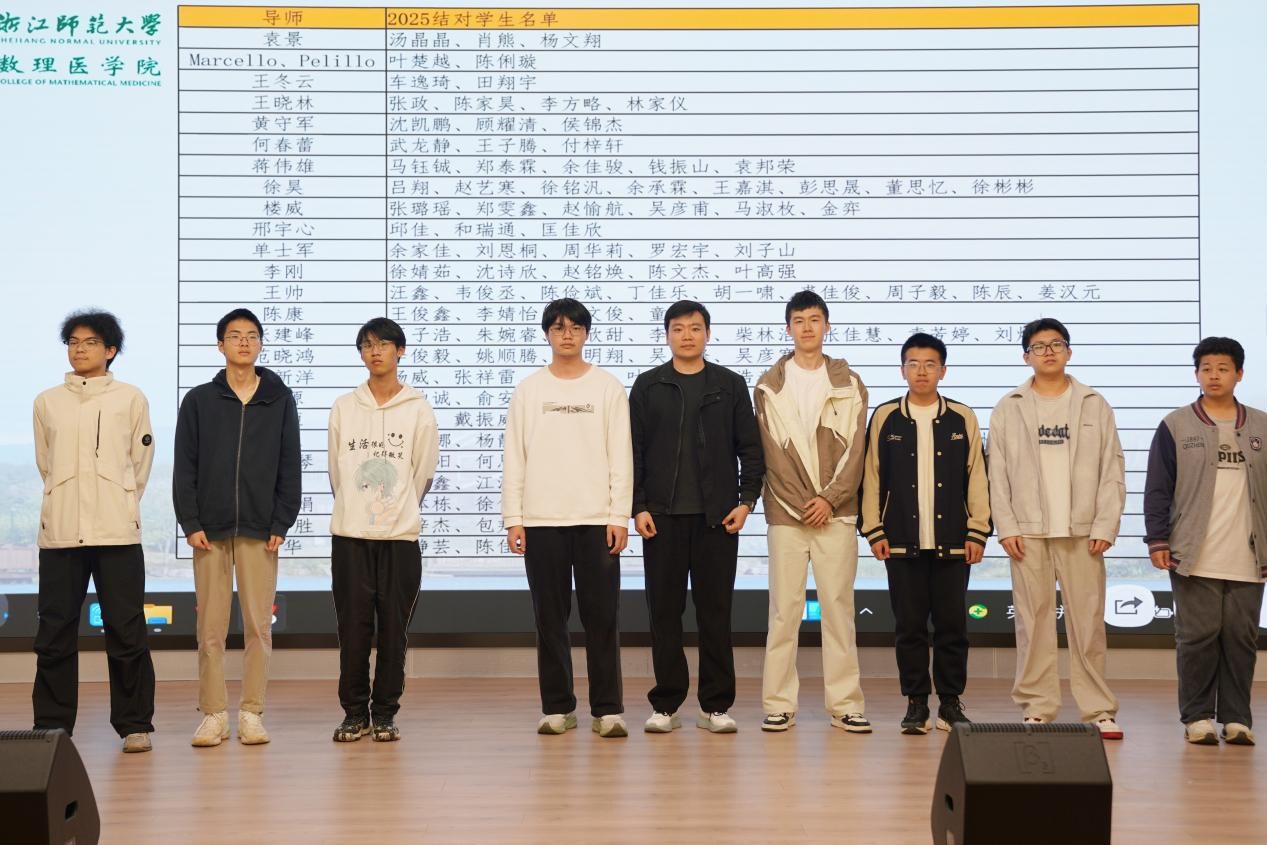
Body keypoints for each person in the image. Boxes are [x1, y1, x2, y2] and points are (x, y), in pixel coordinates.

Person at [987, 317, 1125, 739]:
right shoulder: (1009, 406)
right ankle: (1037, 706)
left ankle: (1098, 709)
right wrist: (1006, 526)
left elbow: (1112, 469)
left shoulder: (1094, 403)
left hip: (1083, 532)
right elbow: (997, 474)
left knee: (1088, 624)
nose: (1048, 351)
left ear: (1069, 351)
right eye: (1039, 346)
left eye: (1056, 344)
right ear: (1025, 356)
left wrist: (1105, 524)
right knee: (1033, 624)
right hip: (1027, 533)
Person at [630, 300, 764, 734]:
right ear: (667, 335)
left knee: (715, 614)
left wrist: (746, 501)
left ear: (708, 333)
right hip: (661, 519)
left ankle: (715, 706)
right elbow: (633, 452)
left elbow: (750, 450)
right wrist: (638, 506)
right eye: (678, 328)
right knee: (664, 614)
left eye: (695, 328)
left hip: (717, 519)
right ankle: (666, 704)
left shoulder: (729, 384)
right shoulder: (648, 385)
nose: (687, 335)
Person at [502, 298, 633, 738]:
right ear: (547, 334)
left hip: (596, 519)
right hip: (541, 520)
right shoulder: (529, 390)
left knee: (603, 618)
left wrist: (619, 515)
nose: (567, 335)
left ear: (586, 333)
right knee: (550, 619)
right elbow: (515, 457)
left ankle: (608, 709)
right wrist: (514, 518)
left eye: (575, 327)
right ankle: (558, 707)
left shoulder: (607, 387)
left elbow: (621, 456)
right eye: (558, 328)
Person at [174, 308, 301, 747]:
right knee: (210, 630)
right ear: (220, 345)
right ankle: (213, 715)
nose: (243, 342)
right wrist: (190, 521)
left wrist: (282, 520)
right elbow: (184, 466)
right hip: (208, 530)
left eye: (251, 335)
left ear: (260, 344)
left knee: (257, 627)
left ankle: (251, 712)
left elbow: (290, 464)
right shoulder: (198, 401)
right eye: (234, 335)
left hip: (260, 528)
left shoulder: (279, 400)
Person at [32, 310, 156, 753]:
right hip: (61, 534)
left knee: (126, 631)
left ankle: (135, 724)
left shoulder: (130, 398)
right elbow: (46, 464)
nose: (79, 349)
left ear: (110, 350)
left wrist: (116, 501)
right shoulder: (47, 402)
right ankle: (51, 725)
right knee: (54, 633)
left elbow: (139, 465)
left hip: (116, 533)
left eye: (89, 342)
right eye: (73, 342)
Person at [861, 332, 990, 734]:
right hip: (901, 540)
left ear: (943, 371)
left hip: (954, 541)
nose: (921, 371)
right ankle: (916, 704)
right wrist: (874, 529)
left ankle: (950, 703)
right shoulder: (885, 417)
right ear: (902, 370)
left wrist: (977, 531)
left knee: (953, 626)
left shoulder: (962, 417)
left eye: (930, 364)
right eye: (913, 364)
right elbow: (871, 475)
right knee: (910, 627)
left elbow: (978, 477)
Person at [755, 290, 870, 733]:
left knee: (838, 610)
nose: (807, 327)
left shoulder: (849, 382)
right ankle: (779, 704)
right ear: (788, 328)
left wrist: (829, 499)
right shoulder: (769, 385)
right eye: (799, 320)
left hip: (836, 515)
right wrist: (803, 504)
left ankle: (846, 705)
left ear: (827, 325)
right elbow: (772, 456)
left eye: (815, 319)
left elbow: (856, 450)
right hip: (787, 516)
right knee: (784, 612)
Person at [1145, 336, 1267, 746]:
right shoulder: (1176, 425)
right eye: (1206, 369)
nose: (1214, 376)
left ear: (1239, 374)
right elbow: (1158, 488)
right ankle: (1197, 717)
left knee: (1240, 638)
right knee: (1197, 637)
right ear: (1196, 374)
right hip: (1193, 552)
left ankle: (1236, 719)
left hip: (1248, 554)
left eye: (1223, 369)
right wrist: (1158, 539)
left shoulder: (1262, 426)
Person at [328, 318, 438, 743]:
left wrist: (397, 508)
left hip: (400, 539)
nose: (375, 351)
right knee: (353, 630)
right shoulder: (345, 406)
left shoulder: (417, 408)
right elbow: (337, 473)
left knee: (394, 631)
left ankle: (386, 713)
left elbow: (423, 473)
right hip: (350, 537)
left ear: (400, 351)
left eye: (384, 344)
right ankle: (354, 713)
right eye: (367, 345)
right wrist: (358, 508)